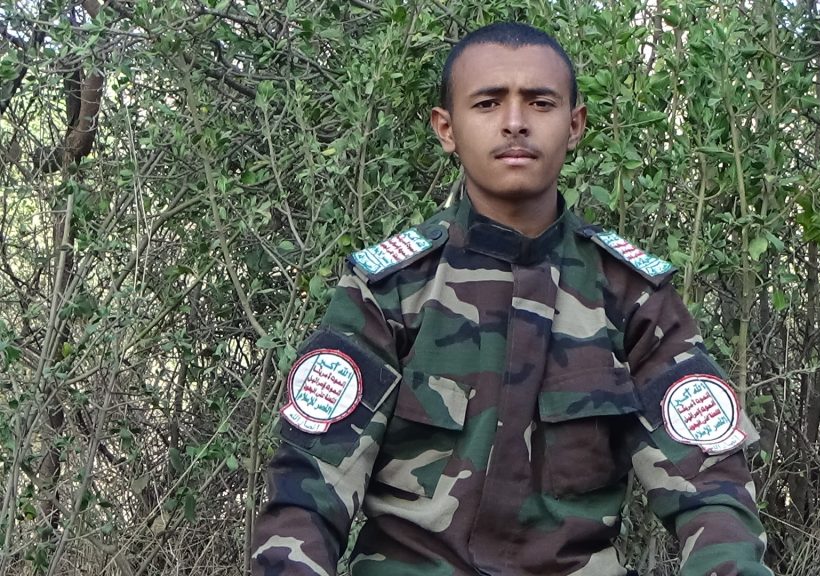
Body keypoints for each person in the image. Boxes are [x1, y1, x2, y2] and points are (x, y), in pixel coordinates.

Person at [251, 22, 771, 576]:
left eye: (540, 103)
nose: (516, 121)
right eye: (488, 103)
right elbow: (311, 484)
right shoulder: (389, 290)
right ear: (447, 128)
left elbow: (712, 489)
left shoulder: (632, 297)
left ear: (574, 125)